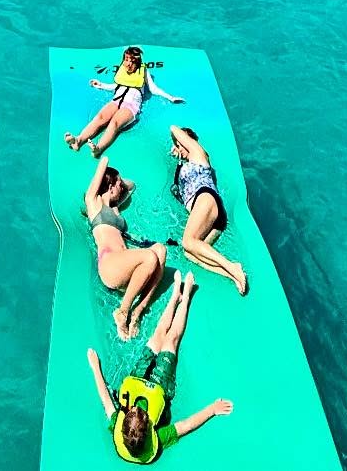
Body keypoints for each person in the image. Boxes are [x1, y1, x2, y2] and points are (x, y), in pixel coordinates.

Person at [87, 271, 233, 462]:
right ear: (148, 428)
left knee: (158, 334)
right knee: (171, 339)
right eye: (141, 413)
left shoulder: (117, 424)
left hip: (138, 379)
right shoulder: (157, 439)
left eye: (131, 411)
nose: (135, 408)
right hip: (160, 386)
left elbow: (107, 400)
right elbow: (185, 425)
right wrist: (212, 409)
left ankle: (174, 296)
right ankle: (186, 296)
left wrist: (95, 367)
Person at [84, 158, 167, 340]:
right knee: (149, 257)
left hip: (126, 267)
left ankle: (138, 310)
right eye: (118, 185)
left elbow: (132, 186)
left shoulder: (115, 208)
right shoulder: (94, 204)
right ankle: (123, 311)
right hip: (110, 265)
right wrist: (105, 161)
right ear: (110, 186)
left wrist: (118, 181)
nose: (122, 187)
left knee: (160, 250)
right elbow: (103, 165)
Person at [169, 126, 246, 293]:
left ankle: (232, 267)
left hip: (205, 198)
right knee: (190, 253)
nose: (177, 149)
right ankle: (231, 274)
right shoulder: (186, 164)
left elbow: (173, 128)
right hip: (214, 216)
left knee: (188, 241)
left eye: (179, 145)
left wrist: (178, 142)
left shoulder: (198, 154)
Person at [66, 47, 183, 157]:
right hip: (116, 101)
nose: (128, 63)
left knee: (114, 123)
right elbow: (116, 86)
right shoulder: (122, 70)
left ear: (137, 62)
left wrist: (170, 97)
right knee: (99, 118)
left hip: (131, 105)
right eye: (126, 60)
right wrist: (100, 84)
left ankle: (98, 149)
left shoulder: (143, 71)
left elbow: (153, 89)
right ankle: (78, 141)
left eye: (132, 61)